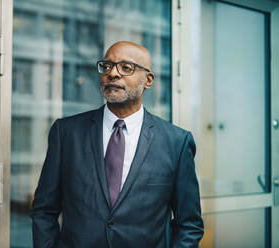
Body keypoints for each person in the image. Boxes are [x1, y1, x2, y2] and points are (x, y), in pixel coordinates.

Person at [30, 41, 204, 248]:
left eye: (126, 67)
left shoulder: (177, 142)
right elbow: (44, 210)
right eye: (107, 66)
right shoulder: (66, 133)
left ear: (148, 80)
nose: (113, 73)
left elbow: (189, 224)